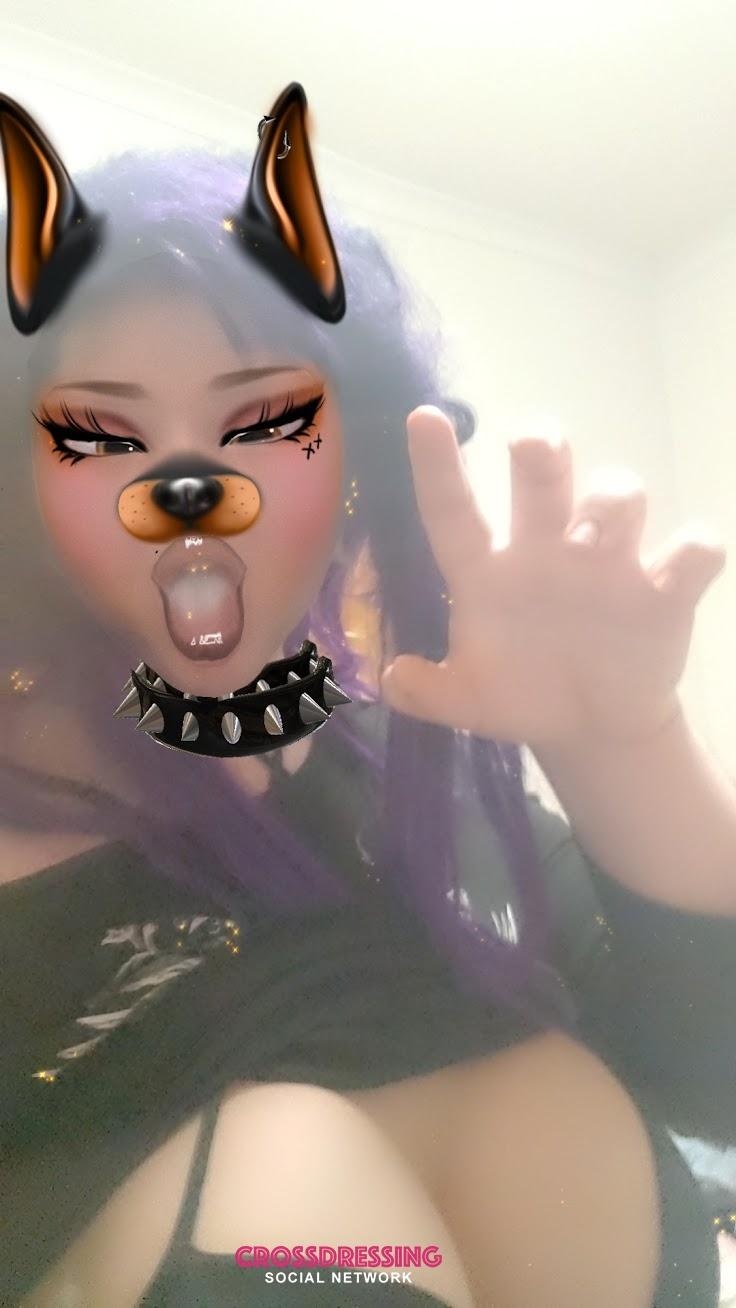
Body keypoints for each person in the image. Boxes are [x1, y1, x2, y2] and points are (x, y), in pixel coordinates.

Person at [1, 81, 734, 1308]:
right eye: (100, 435)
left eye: (264, 421)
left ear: (357, 464)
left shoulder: (415, 759)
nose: (187, 484)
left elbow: (715, 1073)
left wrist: (623, 744)